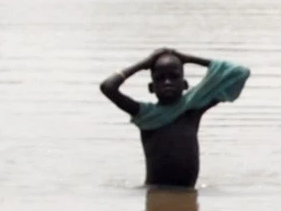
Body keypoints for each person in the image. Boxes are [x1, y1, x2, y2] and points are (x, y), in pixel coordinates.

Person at [100, 47, 249, 188]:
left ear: (184, 85)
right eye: (160, 78)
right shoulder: (145, 114)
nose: (167, 82)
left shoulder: (192, 109)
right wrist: (143, 64)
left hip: (187, 191)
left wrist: (188, 58)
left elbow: (240, 72)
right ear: (152, 88)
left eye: (174, 77)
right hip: (156, 193)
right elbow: (108, 87)